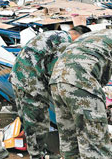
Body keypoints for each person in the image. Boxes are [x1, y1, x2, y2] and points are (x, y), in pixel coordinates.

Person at [9, 25, 91, 159]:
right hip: (32, 83)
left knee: (27, 119)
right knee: (38, 122)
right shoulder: (65, 42)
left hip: (19, 77)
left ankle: (36, 150)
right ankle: (37, 155)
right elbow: (58, 72)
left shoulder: (55, 34)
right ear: (78, 36)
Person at [50, 29, 112, 159]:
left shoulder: (96, 34)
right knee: (95, 145)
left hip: (57, 80)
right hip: (81, 80)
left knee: (69, 139)